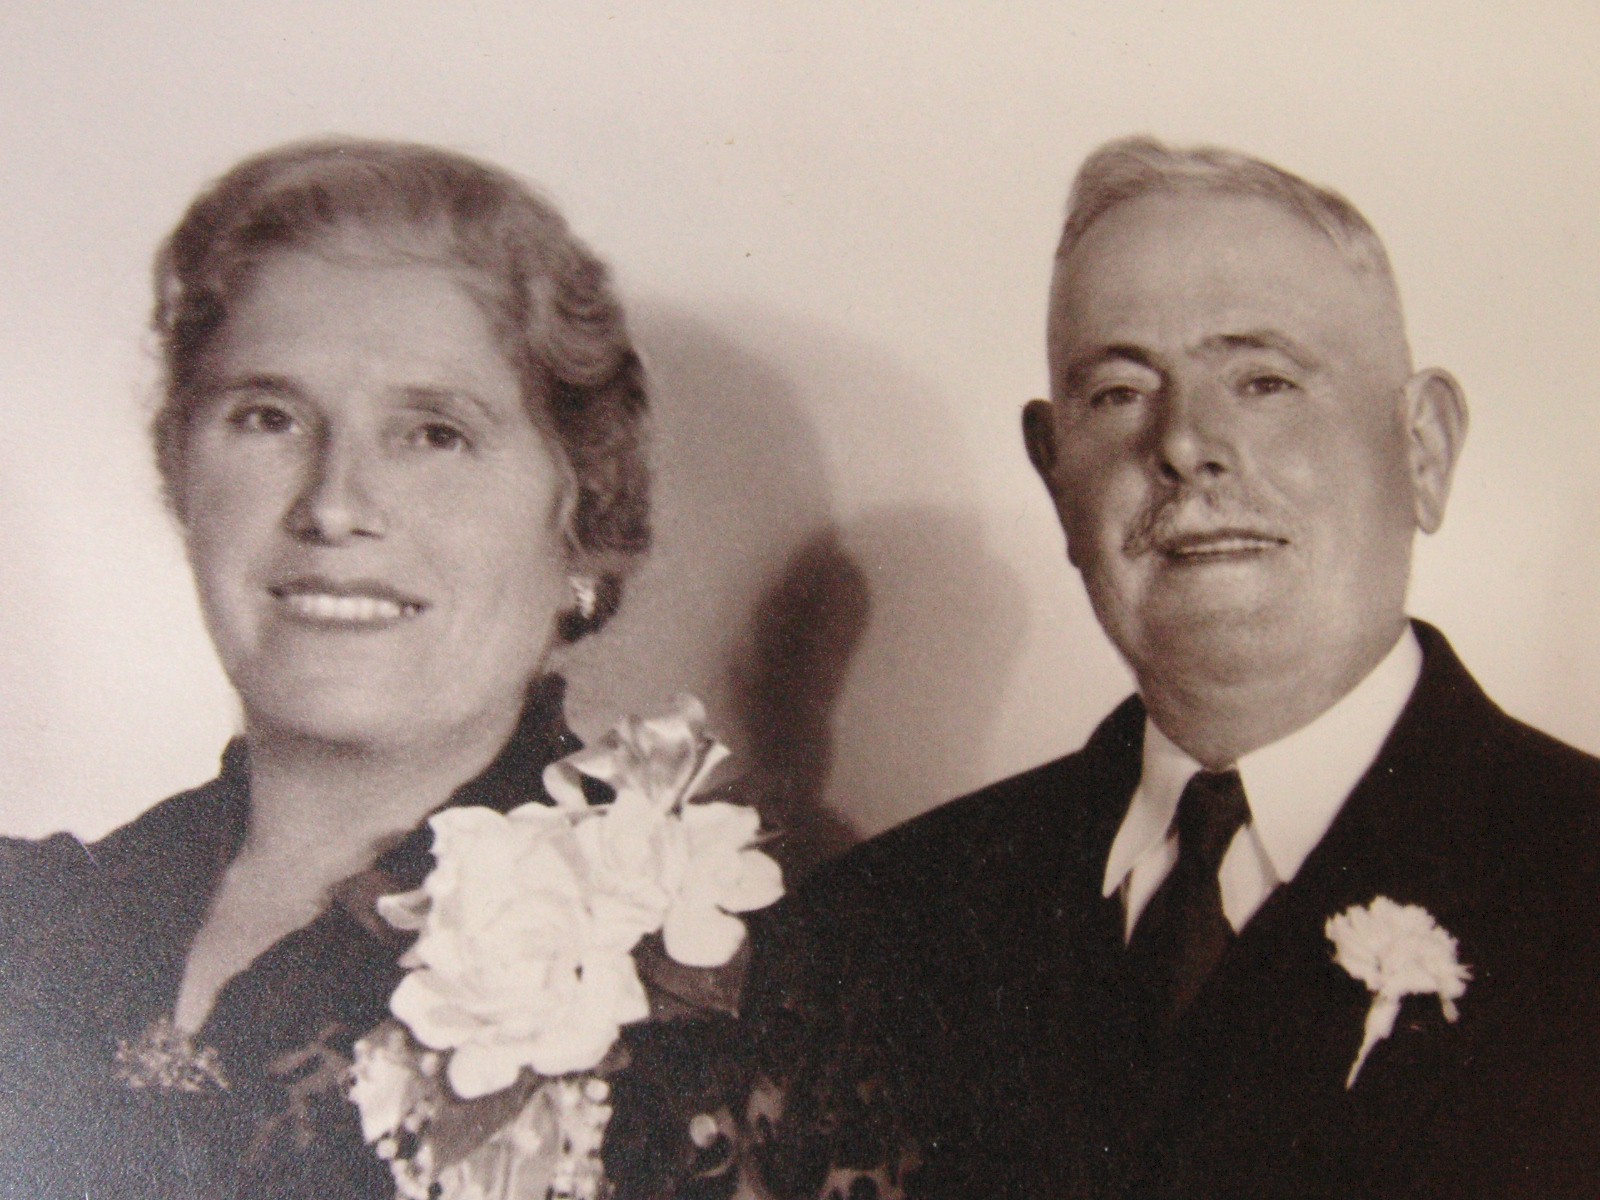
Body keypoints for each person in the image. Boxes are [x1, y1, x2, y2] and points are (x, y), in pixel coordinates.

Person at [745, 138, 1600, 1199]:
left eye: (1264, 380)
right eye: (1116, 392)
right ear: (1057, 477)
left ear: (1422, 448)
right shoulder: (876, 929)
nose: (1186, 442)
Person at [0, 138, 686, 1198]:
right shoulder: (37, 922)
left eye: (434, 434)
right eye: (267, 418)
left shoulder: (704, 992)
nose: (332, 505)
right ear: (182, 474)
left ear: (583, 519)